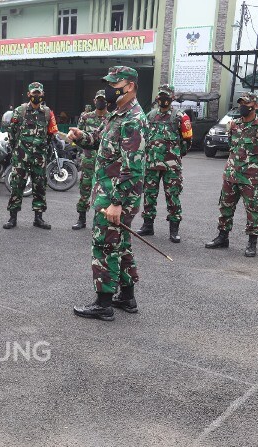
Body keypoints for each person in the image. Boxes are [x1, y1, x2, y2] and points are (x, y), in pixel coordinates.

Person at [68, 66, 149, 321]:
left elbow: (133, 167)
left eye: (116, 84)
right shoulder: (117, 115)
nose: (111, 90)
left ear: (131, 86)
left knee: (104, 245)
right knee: (120, 243)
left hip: (117, 195)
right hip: (109, 191)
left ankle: (103, 304)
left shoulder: (133, 119)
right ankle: (127, 296)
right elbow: (98, 142)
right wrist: (81, 137)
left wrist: (116, 203)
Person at [205, 92, 258, 257]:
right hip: (230, 175)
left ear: (255, 106)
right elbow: (231, 146)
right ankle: (222, 237)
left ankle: (252, 243)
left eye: (246, 103)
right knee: (225, 207)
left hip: (251, 177)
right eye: (241, 103)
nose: (243, 106)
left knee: (252, 209)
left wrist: (255, 164)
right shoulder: (233, 125)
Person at [137, 84, 192, 243]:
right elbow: (144, 136)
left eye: (167, 96)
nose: (163, 99)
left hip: (172, 166)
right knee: (149, 195)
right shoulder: (150, 115)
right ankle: (148, 225)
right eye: (161, 96)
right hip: (151, 164)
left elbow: (188, 141)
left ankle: (174, 230)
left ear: (173, 97)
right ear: (157, 98)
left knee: (173, 196)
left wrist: (177, 155)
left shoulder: (180, 116)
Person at [3, 82, 58, 230]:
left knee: (39, 186)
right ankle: (12, 218)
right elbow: (12, 132)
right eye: (34, 93)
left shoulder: (47, 113)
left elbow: (51, 134)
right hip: (21, 157)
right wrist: (17, 150)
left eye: (38, 93)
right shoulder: (20, 111)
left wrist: (42, 149)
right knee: (17, 186)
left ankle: (38, 218)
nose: (36, 96)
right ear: (28, 94)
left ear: (42, 94)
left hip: (39, 158)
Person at [72, 90, 108, 230]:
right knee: (85, 190)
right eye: (99, 99)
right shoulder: (86, 117)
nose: (101, 102)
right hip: (87, 160)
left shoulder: (111, 118)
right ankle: (81, 219)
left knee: (102, 192)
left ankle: (98, 221)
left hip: (104, 162)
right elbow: (78, 136)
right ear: (94, 101)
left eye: (103, 100)